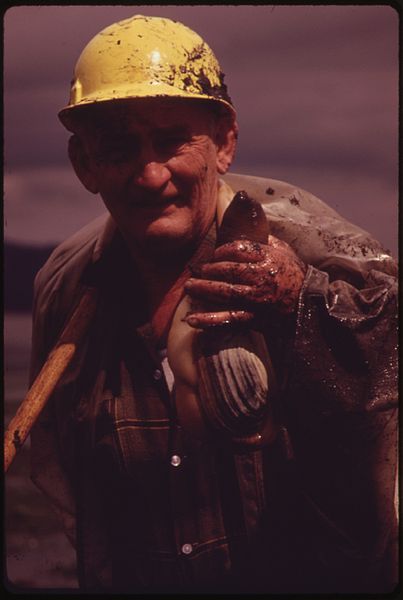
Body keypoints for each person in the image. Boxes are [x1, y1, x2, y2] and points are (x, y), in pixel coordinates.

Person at [29, 14, 398, 594]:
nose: (151, 176)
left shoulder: (330, 261)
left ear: (224, 142)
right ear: (84, 165)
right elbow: (63, 481)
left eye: (173, 140)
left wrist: (301, 299)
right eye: (120, 148)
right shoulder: (63, 290)